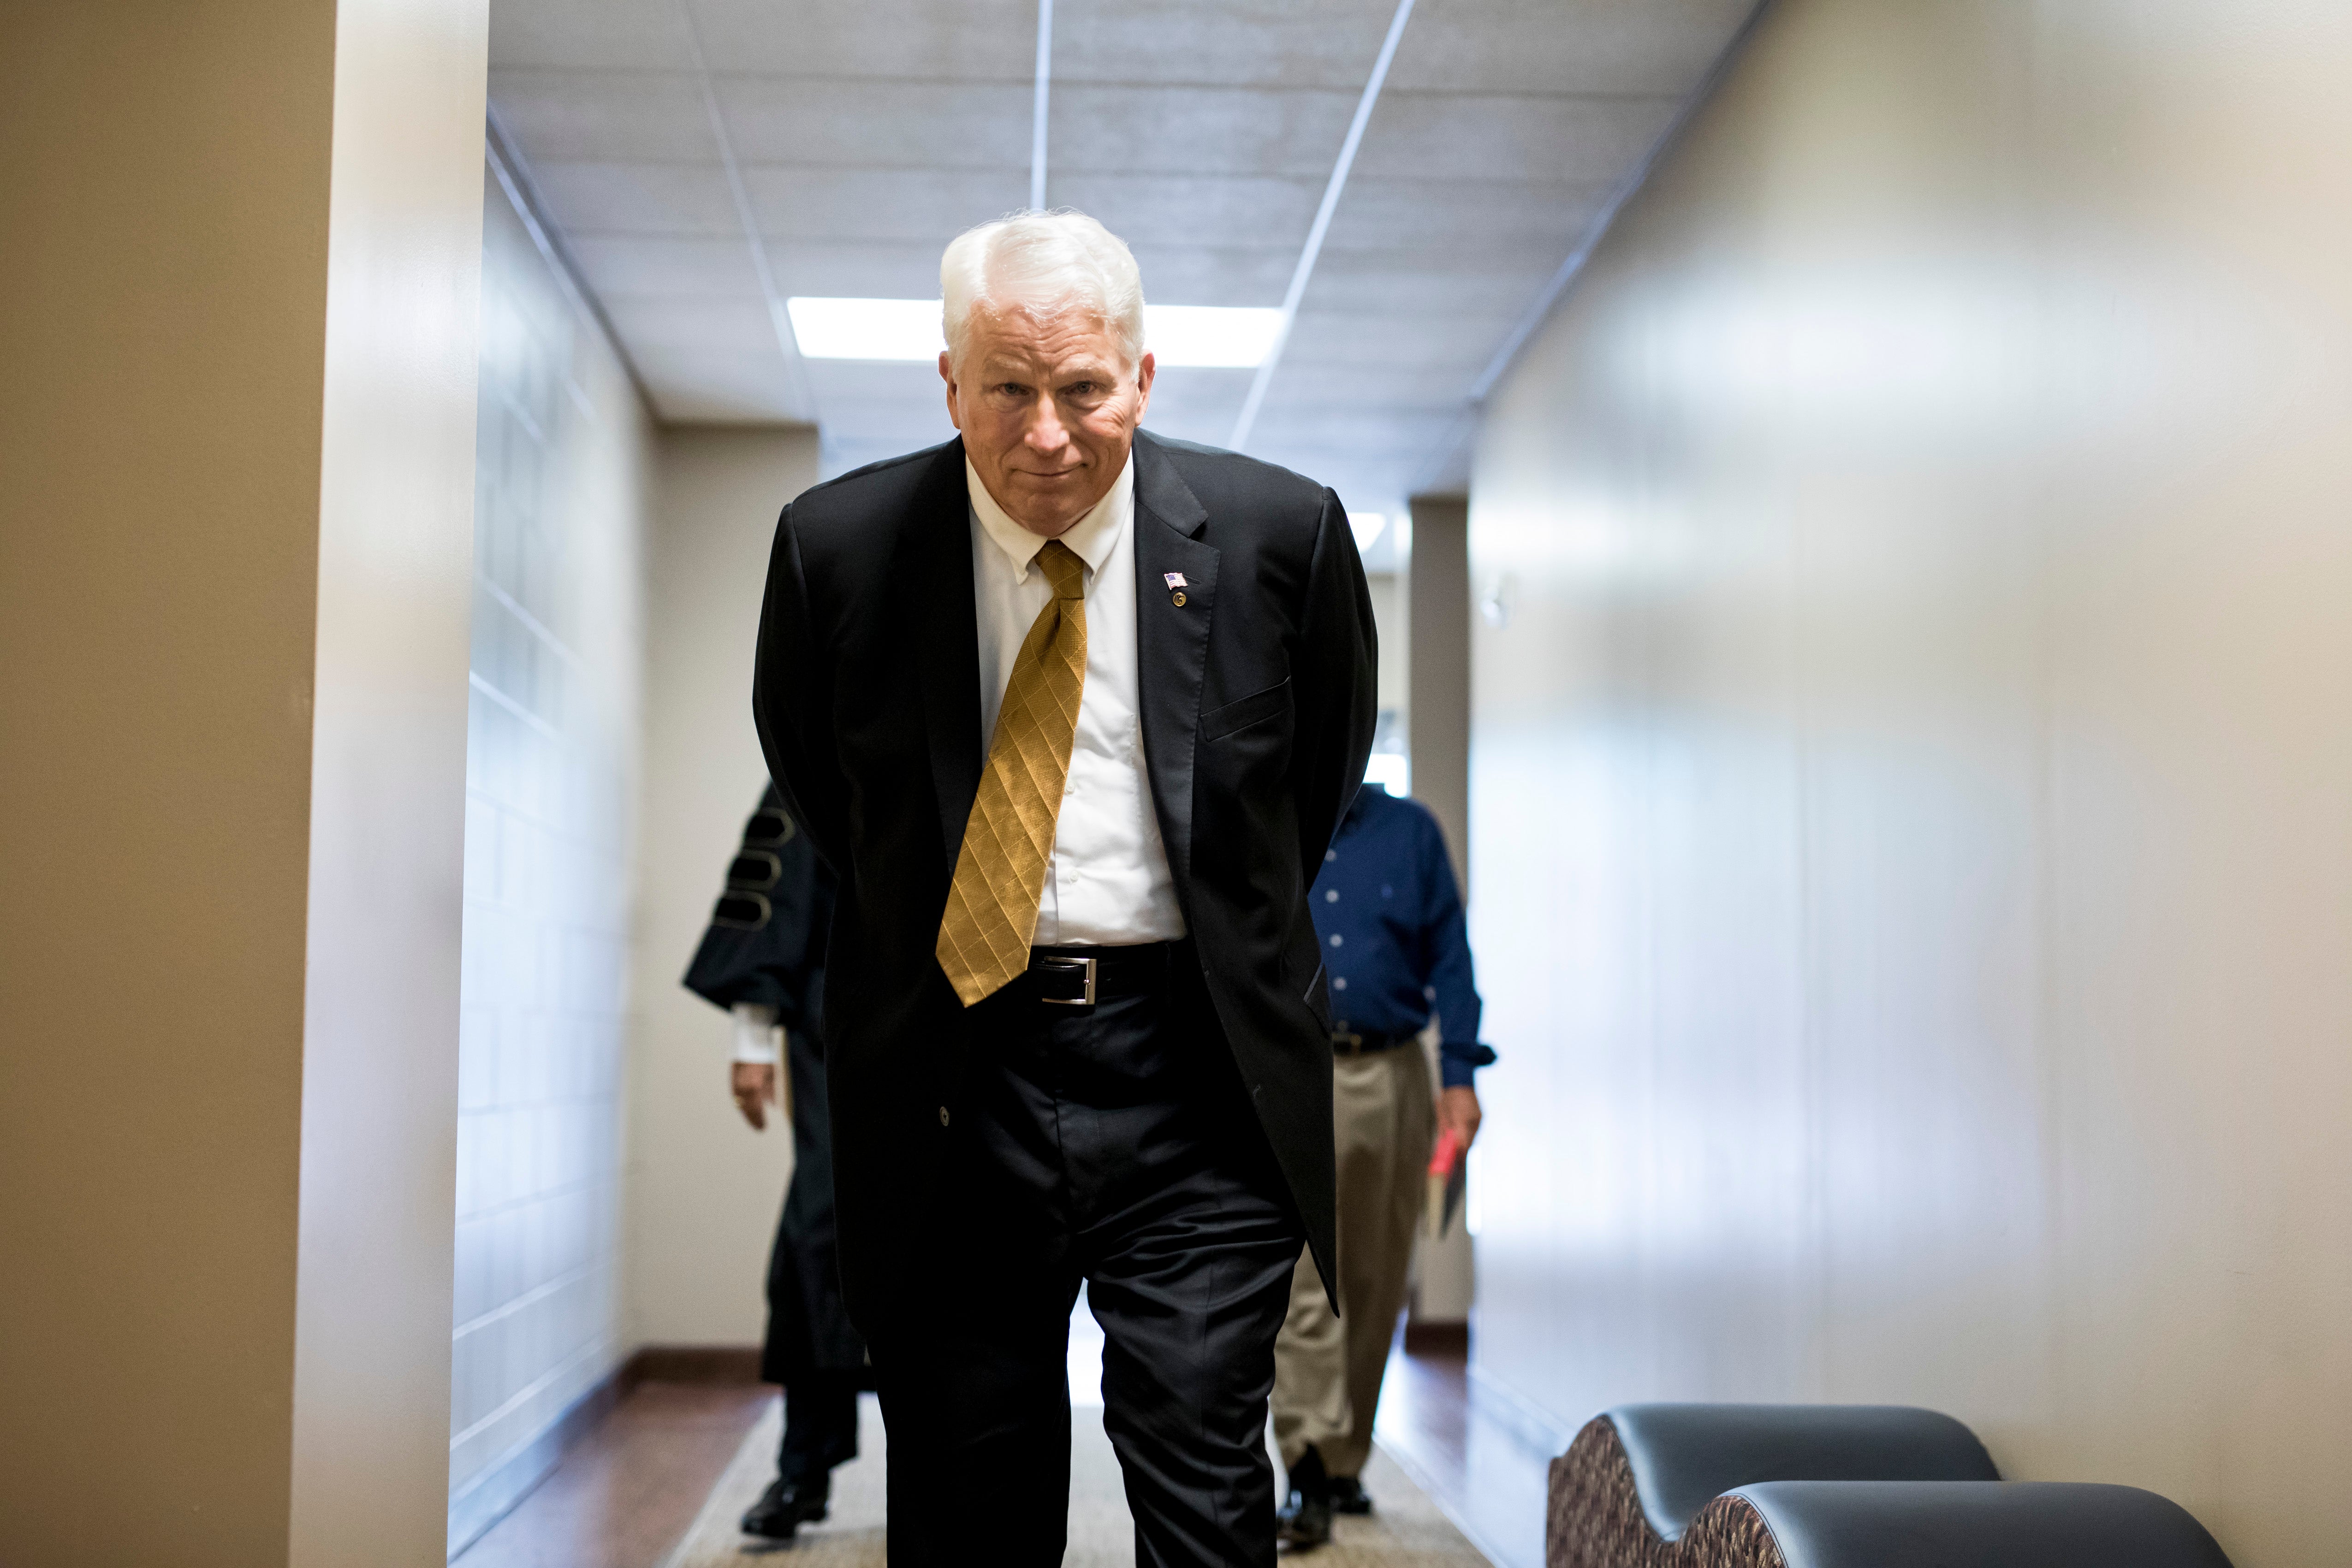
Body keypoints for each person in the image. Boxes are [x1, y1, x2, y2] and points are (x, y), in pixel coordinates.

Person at [751, 209, 1376, 1565]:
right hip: (953, 1073)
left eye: (1084, 390)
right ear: (948, 383)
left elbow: (1300, 802)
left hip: (1193, 1072)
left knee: (1208, 1481)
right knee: (968, 1494)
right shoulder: (837, 549)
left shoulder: (1283, 537)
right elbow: (826, 800)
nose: (1047, 435)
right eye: (1009, 391)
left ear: (1142, 380)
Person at [1270, 780, 1494, 1546]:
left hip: (1393, 1073)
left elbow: (1452, 960)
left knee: (1373, 1276)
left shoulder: (1410, 833)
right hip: (1293, 1070)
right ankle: (1303, 1462)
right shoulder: (1271, 816)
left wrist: (1459, 1077)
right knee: (1302, 1275)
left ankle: (1342, 1462)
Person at [681, 785, 869, 1541]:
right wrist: (753, 1040)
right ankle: (804, 1467)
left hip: (968, 1009)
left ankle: (959, 1482)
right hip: (837, 1014)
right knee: (817, 1237)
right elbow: (782, 874)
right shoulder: (836, 699)